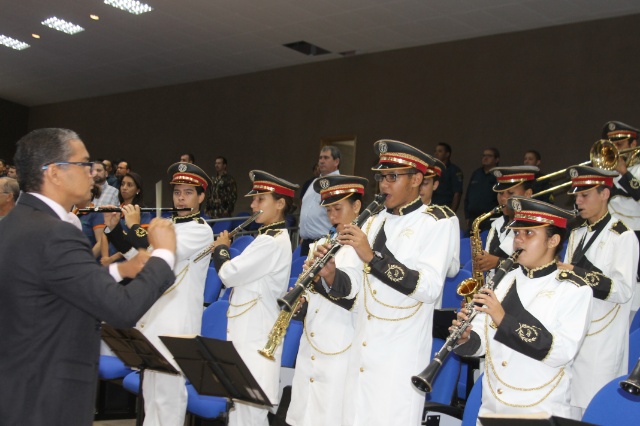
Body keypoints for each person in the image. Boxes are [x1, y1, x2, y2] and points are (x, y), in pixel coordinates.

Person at [0, 128, 177, 426]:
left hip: (19, 387)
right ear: (55, 172)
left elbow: (52, 282)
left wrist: (119, 270)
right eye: (84, 164)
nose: (94, 174)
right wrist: (164, 254)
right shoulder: (55, 233)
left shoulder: (13, 224)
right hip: (48, 399)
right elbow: (121, 309)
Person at [313, 139, 457, 426]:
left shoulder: (437, 222)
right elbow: (354, 285)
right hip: (361, 349)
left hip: (398, 357)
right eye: (381, 177)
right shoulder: (373, 220)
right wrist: (330, 275)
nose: (384, 185)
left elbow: (429, 289)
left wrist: (372, 257)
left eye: (393, 177)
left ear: (417, 179)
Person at [453, 196, 592, 421]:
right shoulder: (502, 280)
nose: (519, 240)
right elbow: (482, 339)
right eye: (517, 233)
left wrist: (503, 318)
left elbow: (561, 351)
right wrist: (465, 338)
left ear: (553, 240)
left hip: (539, 410)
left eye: (529, 233)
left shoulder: (574, 289)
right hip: (492, 408)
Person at [106, 162, 214, 426]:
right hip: (153, 321)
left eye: (188, 192)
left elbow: (165, 252)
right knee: (150, 397)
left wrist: (134, 226)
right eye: (177, 191)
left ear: (200, 197)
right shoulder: (165, 225)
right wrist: (115, 229)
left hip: (176, 325)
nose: (180, 197)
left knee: (167, 401)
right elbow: (143, 259)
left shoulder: (201, 230)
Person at [211, 170, 298, 426]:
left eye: (260, 199)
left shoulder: (271, 242)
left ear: (280, 204)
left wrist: (222, 248)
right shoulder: (266, 237)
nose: (252, 205)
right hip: (247, 335)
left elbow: (228, 274)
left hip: (256, 340)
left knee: (249, 416)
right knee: (239, 414)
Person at [557, 165, 639, 417]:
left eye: (585, 195)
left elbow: (624, 290)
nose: (578, 201)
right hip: (575, 330)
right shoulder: (577, 233)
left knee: (592, 409)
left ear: (605, 194)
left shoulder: (622, 236)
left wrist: (577, 272)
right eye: (576, 196)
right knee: (567, 408)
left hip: (602, 340)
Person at [287, 175, 366, 426]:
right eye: (329, 210)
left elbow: (352, 292)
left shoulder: (366, 246)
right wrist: (301, 302)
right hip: (311, 343)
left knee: (329, 416)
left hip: (340, 346)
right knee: (303, 414)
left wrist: (329, 276)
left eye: (338, 209)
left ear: (356, 207)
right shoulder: (322, 244)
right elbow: (314, 296)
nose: (332, 217)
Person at [601, 120, 640, 316]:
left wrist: (624, 172)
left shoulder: (637, 169)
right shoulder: (607, 171)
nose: (614, 150)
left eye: (620, 145)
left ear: (633, 145)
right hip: (610, 232)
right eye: (611, 144)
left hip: (636, 232)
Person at [476, 166, 538, 278]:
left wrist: (498, 262)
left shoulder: (537, 226)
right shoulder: (497, 224)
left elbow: (536, 267)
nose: (503, 198)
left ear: (527, 194)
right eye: (500, 193)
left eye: (510, 193)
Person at [418, 154, 461, 282]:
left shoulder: (446, 218)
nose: (419, 189)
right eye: (416, 183)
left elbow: (453, 270)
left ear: (435, 185)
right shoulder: (395, 213)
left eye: (425, 183)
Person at [101, 171, 151, 265]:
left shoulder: (142, 212)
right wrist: (105, 257)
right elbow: (105, 233)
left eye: (129, 185)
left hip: (132, 262)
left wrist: (112, 258)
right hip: (112, 264)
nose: (124, 187)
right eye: (122, 184)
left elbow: (142, 242)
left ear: (138, 190)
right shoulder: (117, 210)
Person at [299, 146, 341, 256]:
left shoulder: (339, 184)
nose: (321, 161)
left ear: (336, 161)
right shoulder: (313, 182)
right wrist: (304, 235)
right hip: (307, 242)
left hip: (324, 242)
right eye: (320, 158)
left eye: (326, 158)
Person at [464, 148, 500, 233]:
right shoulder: (476, 173)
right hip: (474, 219)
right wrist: (467, 216)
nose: (485, 158)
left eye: (489, 156)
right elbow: (468, 196)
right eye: (484, 155)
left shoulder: (499, 175)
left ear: (497, 159)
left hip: (490, 219)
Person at [432, 142, 463, 211]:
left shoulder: (454, 170)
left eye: (440, 151)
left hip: (444, 208)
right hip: (430, 206)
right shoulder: (432, 169)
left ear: (447, 154)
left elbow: (457, 193)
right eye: (435, 151)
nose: (436, 154)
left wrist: (452, 212)